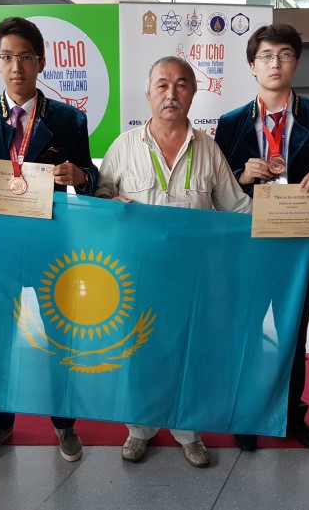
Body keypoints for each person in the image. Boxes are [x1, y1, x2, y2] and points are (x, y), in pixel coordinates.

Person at [0, 16, 98, 464]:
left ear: (41, 62)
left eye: (26, 57)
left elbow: (91, 176)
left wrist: (80, 176)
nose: (17, 67)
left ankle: (65, 424)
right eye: (8, 57)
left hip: (51, 243)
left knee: (61, 337)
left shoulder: (69, 118)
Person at [96, 56, 251, 468]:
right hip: (138, 275)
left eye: (182, 84)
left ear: (193, 94)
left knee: (190, 353)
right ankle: (139, 429)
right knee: (139, 352)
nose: (171, 93)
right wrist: (112, 203)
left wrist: (291, 217)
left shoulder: (209, 150)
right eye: (162, 84)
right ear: (148, 94)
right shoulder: (123, 146)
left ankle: (189, 431)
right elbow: (100, 199)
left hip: (194, 278)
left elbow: (238, 208)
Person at [215, 23, 309, 452]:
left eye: (284, 54)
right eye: (266, 56)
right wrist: (240, 174)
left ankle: (290, 414)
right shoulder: (231, 123)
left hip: (301, 244)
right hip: (249, 246)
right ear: (252, 66)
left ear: (296, 62)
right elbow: (218, 185)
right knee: (248, 332)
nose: (275, 63)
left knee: (294, 334)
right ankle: (247, 415)